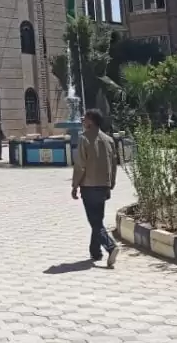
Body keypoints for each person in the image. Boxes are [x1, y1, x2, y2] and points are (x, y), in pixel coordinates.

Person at [71, 108, 119, 267]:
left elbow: (80, 165)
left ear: (91, 121)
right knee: (97, 220)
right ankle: (95, 251)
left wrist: (75, 185)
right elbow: (113, 164)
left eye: (85, 118)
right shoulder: (109, 140)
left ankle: (110, 247)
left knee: (95, 222)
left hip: (89, 186)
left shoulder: (84, 138)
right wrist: (111, 183)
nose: (83, 120)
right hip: (103, 185)